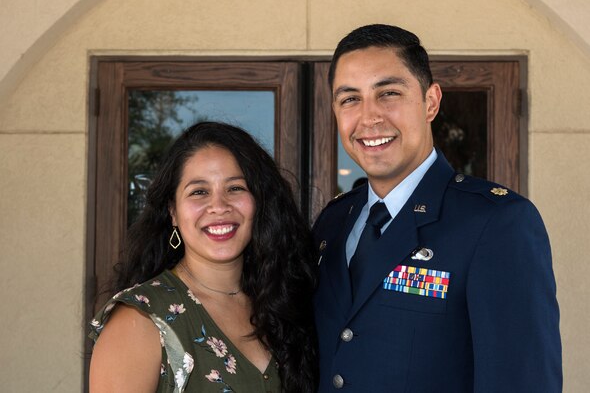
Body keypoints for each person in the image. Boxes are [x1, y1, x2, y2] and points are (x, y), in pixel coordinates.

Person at [313, 24, 561, 392]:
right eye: (350, 99)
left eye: (389, 93)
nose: (369, 117)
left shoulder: (496, 223)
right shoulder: (332, 224)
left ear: (431, 102)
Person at [89, 122, 318, 392]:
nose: (219, 206)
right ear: (172, 212)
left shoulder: (279, 302)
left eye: (235, 188)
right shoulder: (139, 321)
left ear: (259, 202)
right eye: (199, 191)